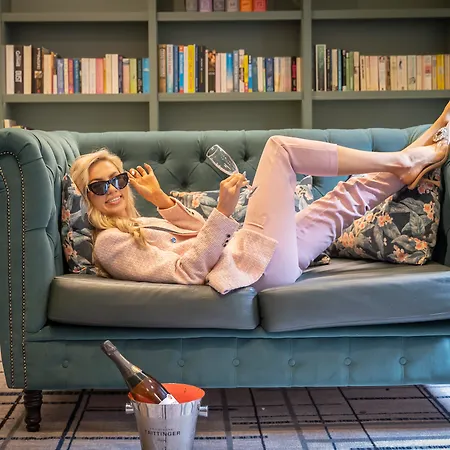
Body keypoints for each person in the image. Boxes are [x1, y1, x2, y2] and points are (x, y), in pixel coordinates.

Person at [70, 104, 450, 295]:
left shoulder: (140, 224)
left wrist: (161, 200)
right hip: (251, 269)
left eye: (117, 179)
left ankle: (415, 152)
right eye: (99, 186)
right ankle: (402, 161)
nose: (113, 189)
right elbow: (186, 272)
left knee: (343, 198)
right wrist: (223, 210)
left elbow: (200, 234)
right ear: (86, 197)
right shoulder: (110, 244)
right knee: (279, 149)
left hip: (259, 258)